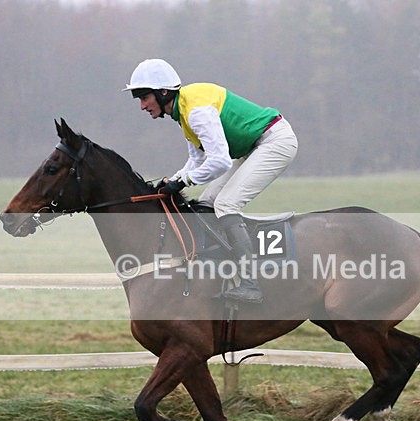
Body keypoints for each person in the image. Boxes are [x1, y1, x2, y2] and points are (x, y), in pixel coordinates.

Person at [123, 58, 298, 303]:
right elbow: (196, 161)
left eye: (144, 98)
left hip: (274, 142)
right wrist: (171, 181)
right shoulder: (183, 111)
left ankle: (250, 283)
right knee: (206, 204)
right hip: (251, 148)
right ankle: (223, 271)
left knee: (226, 204)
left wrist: (182, 183)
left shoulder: (195, 111)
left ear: (163, 92)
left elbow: (219, 162)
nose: (142, 106)